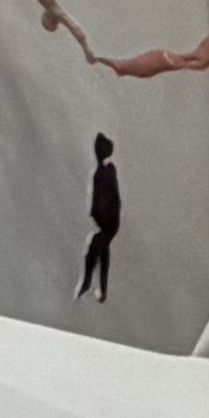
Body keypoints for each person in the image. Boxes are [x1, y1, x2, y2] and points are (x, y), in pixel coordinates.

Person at [80, 131, 121, 305]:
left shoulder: (105, 172)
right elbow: (99, 199)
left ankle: (88, 285)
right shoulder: (103, 172)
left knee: (95, 249)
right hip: (106, 222)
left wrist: (99, 214)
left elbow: (109, 199)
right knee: (101, 251)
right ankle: (97, 288)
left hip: (108, 222)